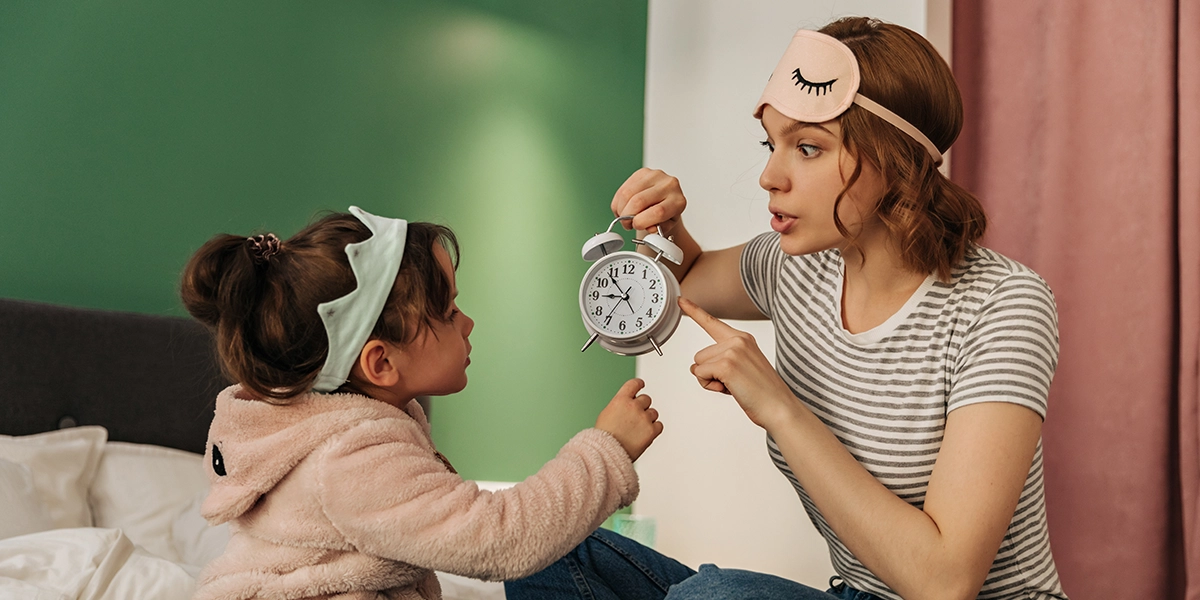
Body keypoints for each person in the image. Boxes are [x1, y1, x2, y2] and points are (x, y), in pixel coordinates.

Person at [506, 16, 1068, 600]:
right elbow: (688, 280)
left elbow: (946, 581)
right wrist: (667, 227)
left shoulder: (1003, 305)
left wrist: (780, 406)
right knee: (544, 542)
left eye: (807, 148)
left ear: (896, 160)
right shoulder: (795, 264)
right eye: (770, 145)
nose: (770, 177)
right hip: (856, 594)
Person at [179, 206, 663, 600]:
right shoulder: (351, 459)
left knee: (577, 549)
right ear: (381, 364)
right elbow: (501, 538)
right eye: (450, 312)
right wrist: (607, 449)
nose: (468, 323)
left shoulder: (332, 432)